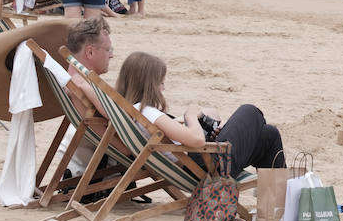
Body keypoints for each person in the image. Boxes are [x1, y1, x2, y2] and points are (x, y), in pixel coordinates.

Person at [115, 52, 287, 174]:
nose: (163, 87)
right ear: (149, 84)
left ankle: (277, 200)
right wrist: (190, 116)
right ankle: (279, 201)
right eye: (160, 82)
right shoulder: (147, 112)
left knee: (268, 135)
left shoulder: (133, 112)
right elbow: (196, 140)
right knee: (249, 111)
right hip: (206, 165)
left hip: (203, 157)